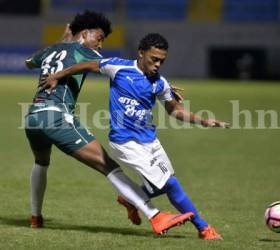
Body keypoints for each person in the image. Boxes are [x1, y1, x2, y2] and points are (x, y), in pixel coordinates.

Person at [41, 33, 229, 240]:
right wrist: (57, 76)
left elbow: (175, 111)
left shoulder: (160, 83)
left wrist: (204, 121)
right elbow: (87, 65)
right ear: (141, 53)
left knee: (164, 183)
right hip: (125, 142)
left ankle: (131, 200)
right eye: (154, 59)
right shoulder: (118, 68)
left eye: (162, 61)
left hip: (150, 141)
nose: (158, 65)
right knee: (171, 185)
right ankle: (204, 228)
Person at [24, 11, 193, 235]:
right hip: (56, 117)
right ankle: (156, 216)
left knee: (41, 162)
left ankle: (36, 217)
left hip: (33, 117)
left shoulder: (51, 50)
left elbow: (28, 63)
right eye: (100, 37)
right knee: (109, 166)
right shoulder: (85, 51)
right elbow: (126, 68)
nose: (101, 45)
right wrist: (161, 85)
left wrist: (61, 42)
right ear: (84, 34)